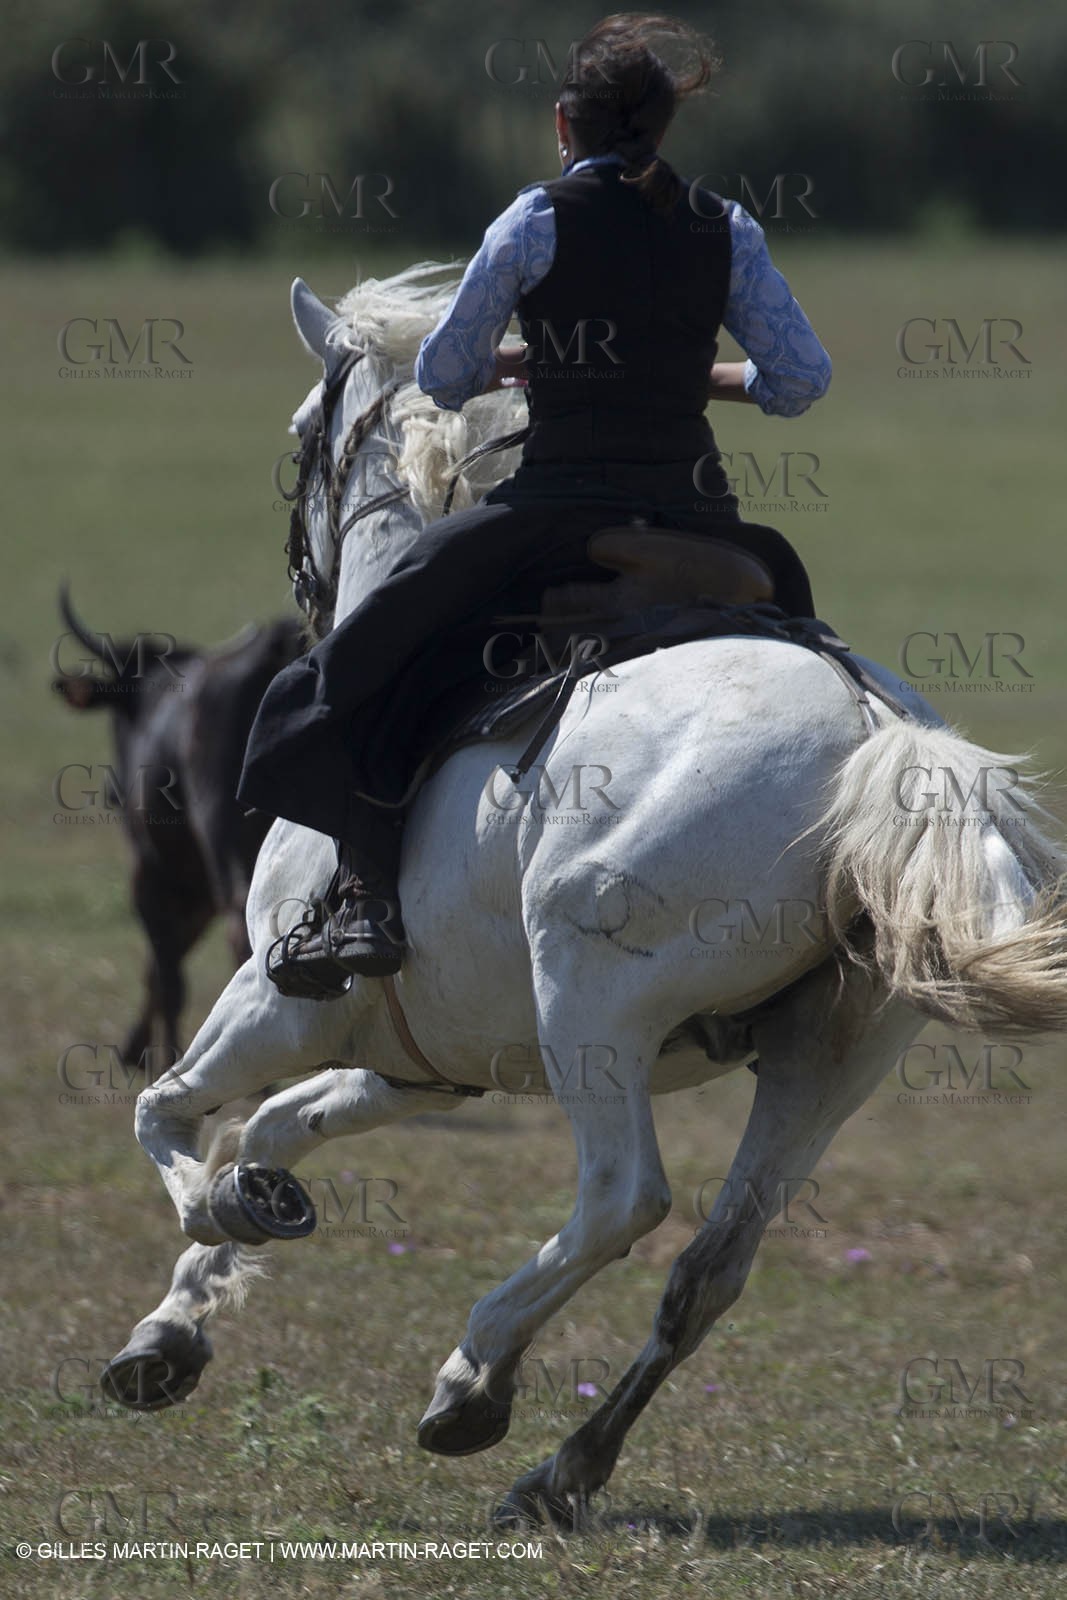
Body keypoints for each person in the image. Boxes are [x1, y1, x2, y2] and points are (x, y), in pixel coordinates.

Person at [238, 12, 831, 999]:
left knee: (372, 650)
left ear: (565, 125)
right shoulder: (725, 227)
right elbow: (798, 379)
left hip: (556, 514)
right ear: (663, 128)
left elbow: (444, 369)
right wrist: (687, 372)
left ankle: (362, 896)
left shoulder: (532, 220)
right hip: (699, 519)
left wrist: (529, 357)